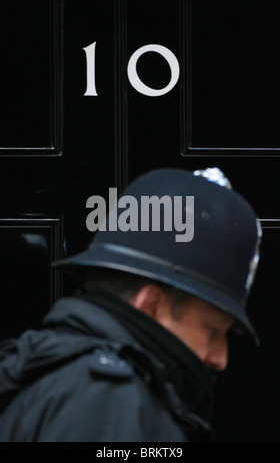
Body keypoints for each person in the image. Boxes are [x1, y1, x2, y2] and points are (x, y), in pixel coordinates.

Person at [0, 167, 262, 442]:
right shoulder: (106, 400)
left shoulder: (55, 376)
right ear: (151, 304)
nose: (221, 358)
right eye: (213, 329)